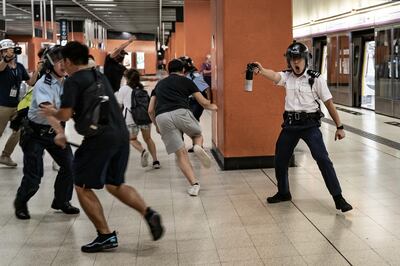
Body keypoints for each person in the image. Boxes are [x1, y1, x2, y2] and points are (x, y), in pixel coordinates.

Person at [40, 41, 164, 253]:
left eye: (63, 61)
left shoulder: (74, 81)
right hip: (120, 135)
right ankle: (148, 213)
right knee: (114, 184)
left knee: (81, 185)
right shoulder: (100, 76)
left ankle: (105, 235)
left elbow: (66, 114)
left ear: (68, 61)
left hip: (99, 139)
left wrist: (52, 112)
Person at [252, 41, 352, 213]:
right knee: (280, 159)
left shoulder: (316, 78)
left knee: (322, 159)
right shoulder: (287, 76)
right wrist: (261, 70)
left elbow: (329, 103)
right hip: (290, 125)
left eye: (298, 59)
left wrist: (339, 126)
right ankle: (283, 193)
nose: (295, 63)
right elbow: (275, 76)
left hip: (309, 125)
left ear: (306, 60)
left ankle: (338, 198)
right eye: (292, 60)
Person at [13, 46, 80, 220]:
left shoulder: (67, 82)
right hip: (35, 133)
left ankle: (61, 201)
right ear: (50, 65)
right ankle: (20, 203)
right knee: (34, 177)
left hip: (53, 132)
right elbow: (47, 110)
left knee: (69, 166)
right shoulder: (44, 84)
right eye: (59, 62)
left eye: (64, 61)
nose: (63, 65)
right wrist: (60, 132)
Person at [148, 59, 217, 196]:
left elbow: (150, 110)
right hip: (181, 112)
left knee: (181, 154)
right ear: (183, 70)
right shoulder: (187, 80)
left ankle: (194, 185)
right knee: (197, 135)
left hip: (162, 117)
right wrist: (214, 106)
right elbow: (203, 102)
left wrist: (156, 126)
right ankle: (197, 146)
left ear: (168, 70)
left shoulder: (159, 84)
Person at [0, 39, 40, 167]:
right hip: (2, 105)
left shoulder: (20, 67)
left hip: (15, 105)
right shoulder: (2, 65)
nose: (9, 53)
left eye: (10, 50)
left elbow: (30, 82)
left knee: (19, 130)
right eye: (5, 51)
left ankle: (5, 155)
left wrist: (38, 70)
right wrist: (6, 59)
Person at [117, 68, 160, 169]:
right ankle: (155, 161)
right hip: (144, 117)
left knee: (131, 139)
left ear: (127, 78)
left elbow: (119, 105)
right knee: (148, 139)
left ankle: (143, 151)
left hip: (130, 119)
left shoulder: (123, 89)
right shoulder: (142, 89)